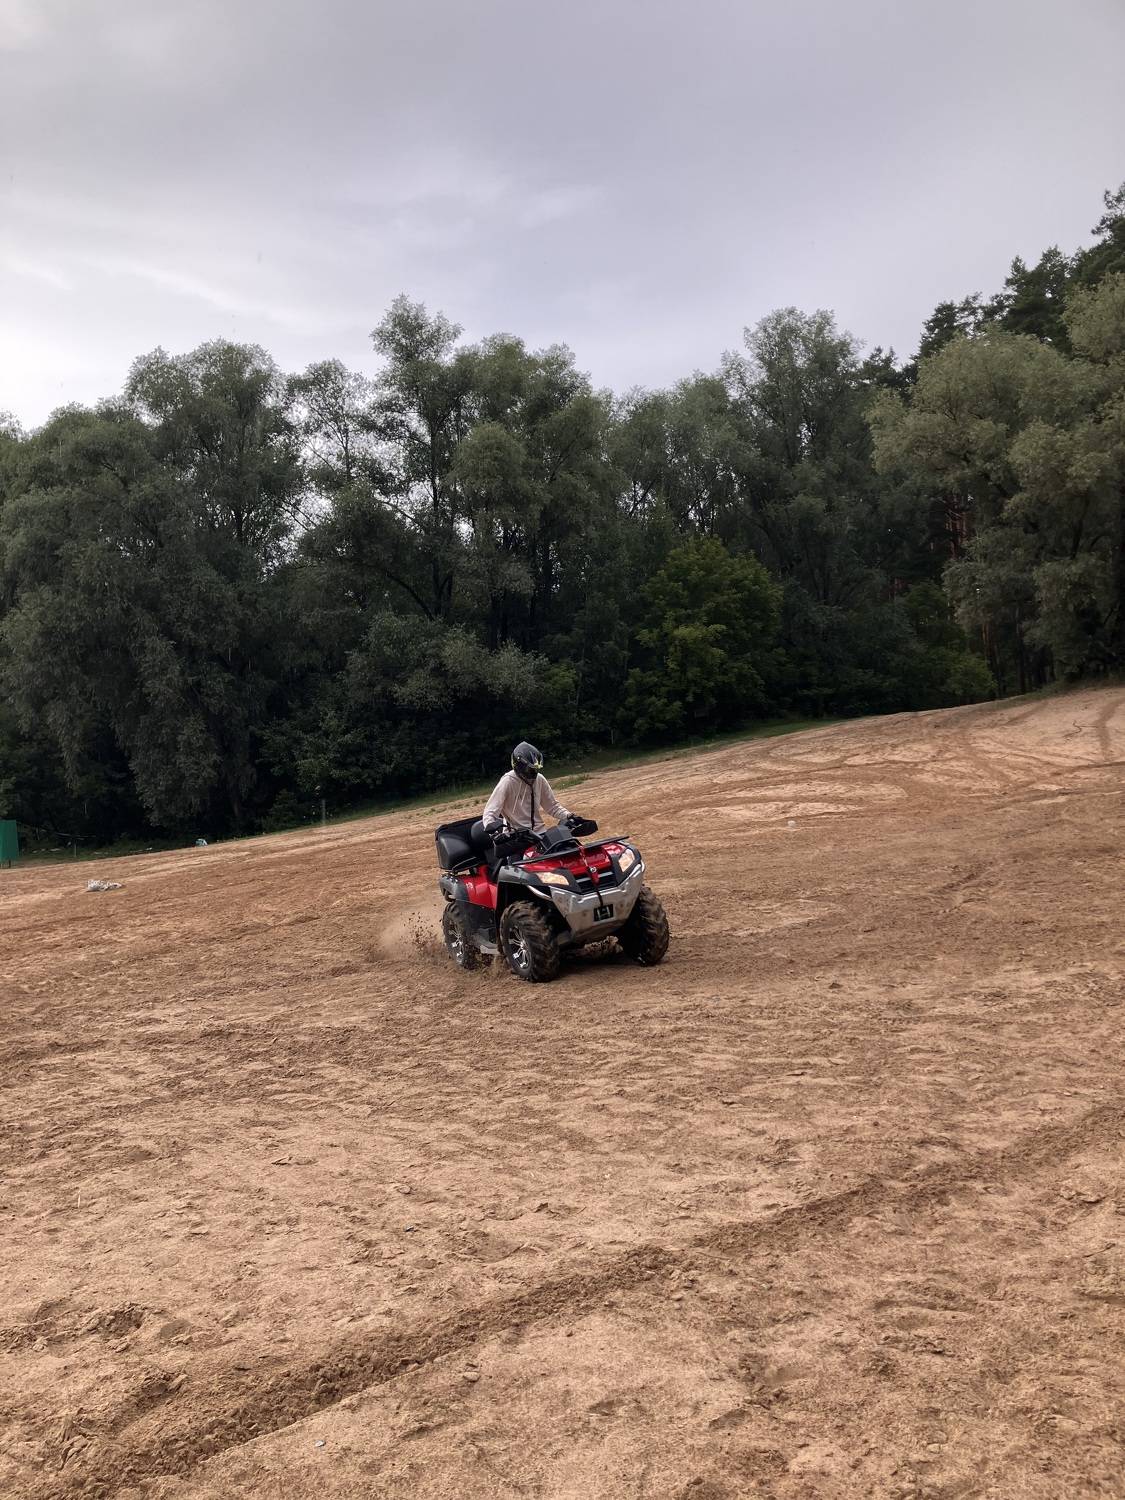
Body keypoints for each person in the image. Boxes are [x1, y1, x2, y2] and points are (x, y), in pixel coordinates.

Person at [482, 742, 571, 841]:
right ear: (519, 766)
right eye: (530, 769)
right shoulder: (508, 781)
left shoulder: (540, 779)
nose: (534, 773)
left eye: (536, 769)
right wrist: (494, 834)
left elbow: (552, 806)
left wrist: (569, 816)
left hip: (539, 834)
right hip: (515, 837)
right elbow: (490, 812)